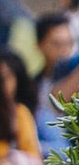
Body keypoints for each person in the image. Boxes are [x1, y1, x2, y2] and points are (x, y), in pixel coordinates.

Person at [31, 13, 77, 153]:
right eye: (57, 44)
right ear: (39, 45)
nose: (65, 50)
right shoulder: (33, 84)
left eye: (69, 43)